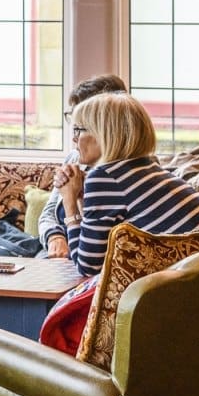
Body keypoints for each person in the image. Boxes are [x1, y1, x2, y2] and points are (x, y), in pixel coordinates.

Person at [58, 91, 199, 278]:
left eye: (79, 130)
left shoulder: (104, 177)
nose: (74, 138)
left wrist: (69, 201)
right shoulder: (146, 168)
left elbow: (87, 266)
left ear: (104, 134)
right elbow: (103, 250)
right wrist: (81, 197)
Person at [38, 74, 128, 258]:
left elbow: (92, 252)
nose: (74, 136)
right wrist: (54, 236)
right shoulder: (74, 159)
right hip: (59, 251)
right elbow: (48, 213)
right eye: (73, 118)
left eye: (81, 126)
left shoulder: (121, 175)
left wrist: (74, 199)